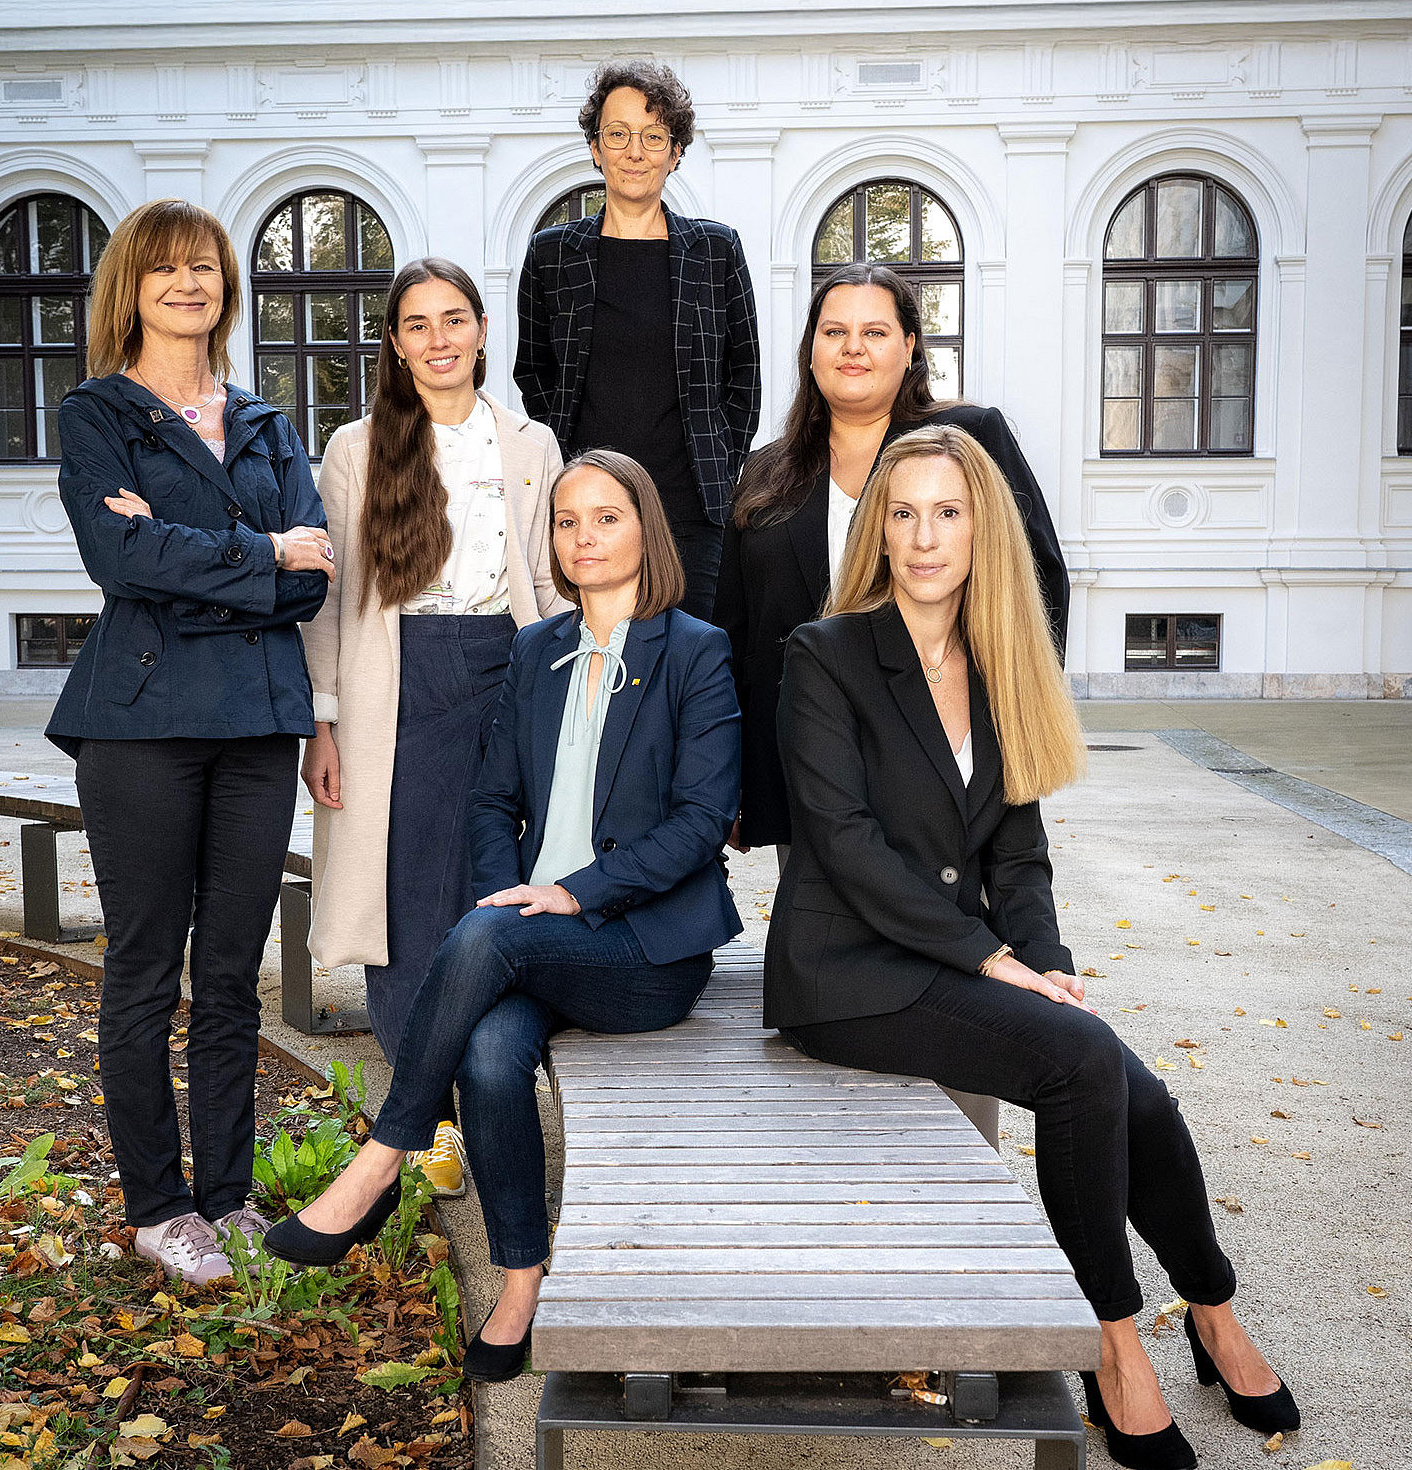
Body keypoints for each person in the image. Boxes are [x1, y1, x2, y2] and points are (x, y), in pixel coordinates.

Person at [764, 425, 1296, 1470]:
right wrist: (983, 958)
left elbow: (1019, 852)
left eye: (947, 513)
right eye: (903, 513)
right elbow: (844, 845)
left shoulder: (1003, 658)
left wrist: (1043, 959)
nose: (923, 538)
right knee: (1078, 1061)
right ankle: (1107, 1343)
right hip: (847, 972)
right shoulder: (821, 656)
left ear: (981, 529)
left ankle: (1211, 1309)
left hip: (951, 956)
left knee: (1133, 1087)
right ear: (879, 528)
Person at [265, 450, 741, 1384]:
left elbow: (700, 822)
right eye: (566, 522)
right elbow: (491, 803)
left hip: (643, 949)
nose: (583, 537)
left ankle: (382, 1157)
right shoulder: (536, 650)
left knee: (487, 938)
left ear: (647, 526)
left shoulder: (694, 651)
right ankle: (520, 1281)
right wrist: (506, 890)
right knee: (487, 1055)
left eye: (606, 517)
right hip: (526, 935)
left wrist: (576, 892)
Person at [46, 198, 336, 1285]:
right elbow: (117, 563)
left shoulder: (264, 423)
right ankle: (155, 1205)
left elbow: (310, 584)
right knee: (142, 973)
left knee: (229, 979)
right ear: (132, 285)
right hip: (142, 727)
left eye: (206, 267)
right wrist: (258, 549)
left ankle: (225, 1194)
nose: (188, 283)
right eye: (165, 268)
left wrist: (198, 558)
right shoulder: (96, 414)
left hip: (257, 724)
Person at [301, 259, 568, 1198]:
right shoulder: (357, 447)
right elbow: (330, 602)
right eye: (418, 324)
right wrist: (323, 723)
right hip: (397, 686)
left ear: (484, 330)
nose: (439, 339)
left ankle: (495, 1083)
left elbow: (551, 572)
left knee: (495, 886)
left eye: (455, 319)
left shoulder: (531, 443)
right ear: (394, 341)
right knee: (406, 899)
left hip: (508, 670)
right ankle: (433, 1120)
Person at [714, 262, 1070, 857]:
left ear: (909, 348)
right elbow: (734, 631)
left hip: (943, 745)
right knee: (824, 932)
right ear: (810, 350)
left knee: (947, 925)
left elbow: (1039, 577)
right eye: (834, 332)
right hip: (807, 759)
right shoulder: (765, 472)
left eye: (875, 332)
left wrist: (1016, 716)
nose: (853, 348)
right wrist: (731, 778)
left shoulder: (966, 439)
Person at [515, 58, 761, 621]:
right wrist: (569, 464)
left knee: (689, 665)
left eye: (653, 136)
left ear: (675, 152)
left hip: (691, 509)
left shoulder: (716, 251)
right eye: (617, 134)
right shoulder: (552, 254)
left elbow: (744, 375)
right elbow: (533, 371)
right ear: (596, 147)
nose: (634, 151)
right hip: (590, 510)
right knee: (597, 656)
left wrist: (721, 467)